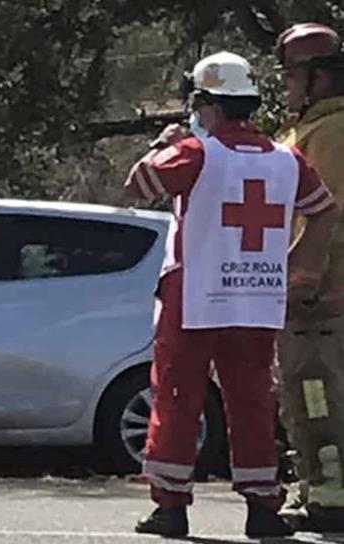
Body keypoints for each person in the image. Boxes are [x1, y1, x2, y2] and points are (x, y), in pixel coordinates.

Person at [122, 51, 340, 538]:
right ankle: (263, 509)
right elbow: (323, 209)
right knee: (253, 401)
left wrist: (165, 142)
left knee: (178, 399)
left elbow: (138, 186)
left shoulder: (194, 153)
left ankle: (171, 507)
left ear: (207, 105)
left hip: (195, 296)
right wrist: (300, 267)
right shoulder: (287, 158)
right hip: (258, 298)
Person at [273, 22, 344, 531]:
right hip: (316, 298)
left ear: (319, 76)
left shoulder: (331, 134)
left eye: (292, 74)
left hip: (321, 303)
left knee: (316, 399)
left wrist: (303, 283)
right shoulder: (309, 129)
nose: (286, 85)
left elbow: (326, 217)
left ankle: (328, 498)